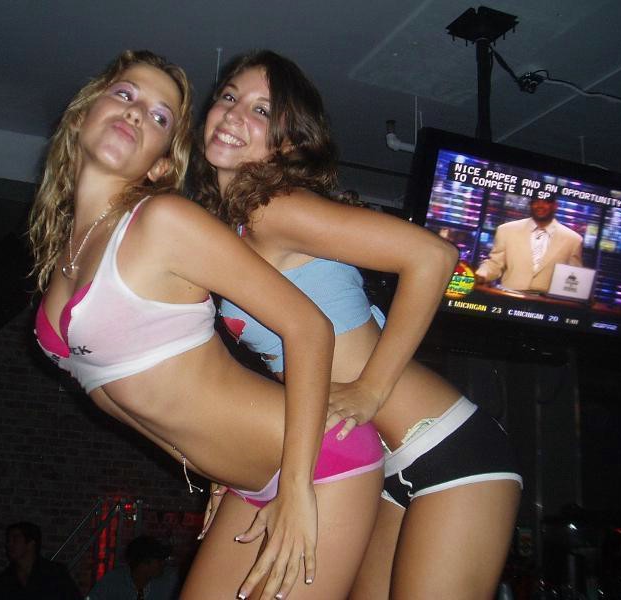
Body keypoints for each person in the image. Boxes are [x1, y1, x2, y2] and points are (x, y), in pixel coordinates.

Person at [29, 49, 384, 600]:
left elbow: (309, 327)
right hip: (245, 477)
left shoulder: (163, 221)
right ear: (81, 117)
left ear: (161, 165)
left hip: (317, 463)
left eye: (159, 116)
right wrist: (213, 469)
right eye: (124, 94)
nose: (136, 111)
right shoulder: (64, 258)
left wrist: (295, 489)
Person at [195, 50, 523, 599]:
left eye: (261, 110)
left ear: (288, 143)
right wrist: (232, 461)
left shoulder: (274, 209)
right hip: (372, 464)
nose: (233, 114)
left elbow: (433, 257)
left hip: (446, 450)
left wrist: (371, 389)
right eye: (229, 97)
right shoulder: (233, 228)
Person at [475, 196, 583, 292]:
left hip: (548, 303)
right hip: (509, 298)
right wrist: (480, 276)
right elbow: (495, 264)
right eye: (536, 201)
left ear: (555, 206)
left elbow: (575, 276)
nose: (540, 205)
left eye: (546, 202)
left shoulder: (573, 239)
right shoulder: (506, 230)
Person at [0, 521, 81, 600]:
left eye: (15, 539)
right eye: (8, 540)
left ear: (31, 543)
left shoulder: (55, 574)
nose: (9, 544)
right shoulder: (3, 581)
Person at [86, 535, 179, 600]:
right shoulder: (113, 581)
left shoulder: (168, 580)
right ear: (143, 564)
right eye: (159, 561)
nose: (163, 563)